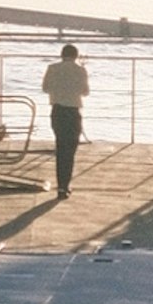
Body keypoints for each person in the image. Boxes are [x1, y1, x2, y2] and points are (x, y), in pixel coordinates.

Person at [40, 37, 88, 199]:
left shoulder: (52, 68)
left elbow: (45, 88)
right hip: (73, 111)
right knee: (71, 150)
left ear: (61, 55)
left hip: (57, 111)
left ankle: (61, 186)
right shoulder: (80, 70)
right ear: (76, 56)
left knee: (60, 148)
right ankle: (65, 186)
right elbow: (85, 92)